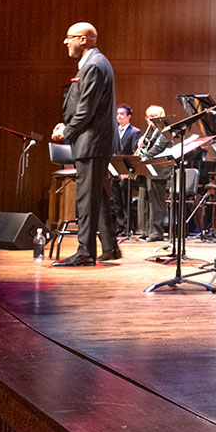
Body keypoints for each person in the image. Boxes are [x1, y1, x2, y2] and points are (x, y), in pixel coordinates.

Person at [51, 22, 121, 265]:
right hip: (94, 141)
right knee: (98, 196)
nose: (65, 42)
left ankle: (85, 253)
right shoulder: (95, 63)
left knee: (86, 199)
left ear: (83, 40)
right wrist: (67, 126)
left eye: (69, 37)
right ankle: (111, 248)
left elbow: (86, 109)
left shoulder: (93, 65)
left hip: (92, 143)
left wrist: (67, 130)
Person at [136, 104, 171, 242]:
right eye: (148, 117)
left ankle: (156, 232)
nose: (150, 120)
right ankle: (145, 230)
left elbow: (158, 149)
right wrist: (140, 146)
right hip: (146, 169)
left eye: (153, 117)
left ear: (160, 117)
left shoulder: (165, 131)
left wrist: (141, 159)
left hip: (158, 171)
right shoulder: (149, 132)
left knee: (155, 203)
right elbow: (146, 148)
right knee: (143, 200)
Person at [112, 103, 142, 235]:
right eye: (117, 114)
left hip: (126, 170)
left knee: (126, 200)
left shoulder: (135, 132)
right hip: (113, 169)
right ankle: (119, 226)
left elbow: (135, 152)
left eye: (122, 114)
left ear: (129, 116)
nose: (119, 116)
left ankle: (128, 226)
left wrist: (128, 171)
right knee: (116, 200)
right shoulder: (113, 131)